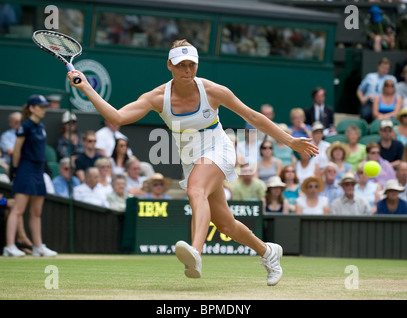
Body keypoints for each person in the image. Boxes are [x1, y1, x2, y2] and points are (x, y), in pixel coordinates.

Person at [67, 39, 318, 285]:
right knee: (226, 225)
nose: (187, 70)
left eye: (192, 64)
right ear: (169, 65)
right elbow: (118, 117)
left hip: (219, 149)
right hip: (192, 159)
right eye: (181, 65)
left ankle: (196, 253)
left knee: (195, 189)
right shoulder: (157, 97)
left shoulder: (214, 91)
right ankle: (268, 252)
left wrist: (290, 140)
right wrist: (87, 87)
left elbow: (253, 116)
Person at [3, 94, 57, 257]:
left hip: (38, 170)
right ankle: (10, 247)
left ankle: (38, 246)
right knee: (18, 210)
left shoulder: (41, 127)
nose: (43, 110)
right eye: (40, 107)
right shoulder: (24, 126)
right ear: (32, 108)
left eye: (44, 107)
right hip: (25, 169)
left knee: (36, 212)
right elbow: (17, 150)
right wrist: (16, 170)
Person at [357, 57, 397, 123]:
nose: (384, 70)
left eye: (387, 69)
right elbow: (359, 90)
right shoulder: (370, 76)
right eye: (383, 67)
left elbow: (394, 93)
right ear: (378, 66)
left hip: (385, 102)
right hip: (370, 102)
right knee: (365, 114)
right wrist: (363, 99)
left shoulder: (391, 79)